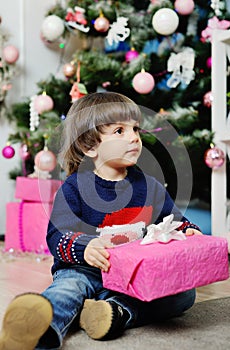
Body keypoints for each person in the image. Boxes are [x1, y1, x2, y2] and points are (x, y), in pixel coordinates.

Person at [0, 92, 202, 350]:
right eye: (119, 131)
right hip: (83, 272)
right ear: (90, 147)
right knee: (66, 292)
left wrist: (189, 232)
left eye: (135, 129)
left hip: (132, 276)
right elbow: (56, 235)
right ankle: (37, 329)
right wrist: (86, 248)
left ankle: (112, 312)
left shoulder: (149, 186)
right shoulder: (74, 187)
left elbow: (174, 220)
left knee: (185, 295)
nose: (134, 137)